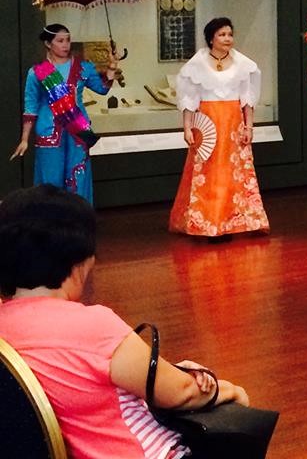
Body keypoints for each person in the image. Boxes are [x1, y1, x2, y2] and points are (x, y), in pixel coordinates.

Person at [0, 184, 250, 459]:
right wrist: (227, 390)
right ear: (78, 263)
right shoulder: (93, 326)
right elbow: (181, 393)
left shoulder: (5, 329)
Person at [169, 17, 269, 238]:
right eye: (222, 35)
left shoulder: (243, 64)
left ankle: (236, 220)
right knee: (208, 172)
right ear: (211, 38)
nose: (227, 39)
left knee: (235, 171)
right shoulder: (197, 64)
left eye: (230, 34)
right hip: (208, 124)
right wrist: (187, 128)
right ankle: (209, 222)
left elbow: (247, 100)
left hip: (233, 123)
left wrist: (249, 127)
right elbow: (189, 100)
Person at [10, 24, 119, 203]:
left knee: (78, 178)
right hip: (48, 130)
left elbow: (102, 89)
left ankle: (77, 217)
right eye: (60, 41)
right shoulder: (37, 72)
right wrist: (24, 139)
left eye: (68, 40)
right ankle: (51, 218)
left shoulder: (83, 67)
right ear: (48, 43)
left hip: (78, 130)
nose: (65, 45)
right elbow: (31, 107)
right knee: (50, 181)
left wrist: (112, 67)